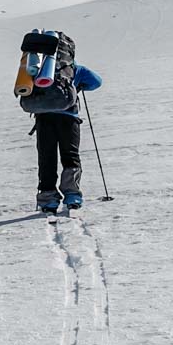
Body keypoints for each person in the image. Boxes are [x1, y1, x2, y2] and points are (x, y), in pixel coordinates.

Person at [18, 31, 101, 215]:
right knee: (70, 155)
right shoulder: (72, 69)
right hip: (68, 118)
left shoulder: (37, 68)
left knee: (46, 158)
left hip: (43, 118)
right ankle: (72, 195)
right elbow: (97, 82)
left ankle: (48, 198)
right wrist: (78, 85)